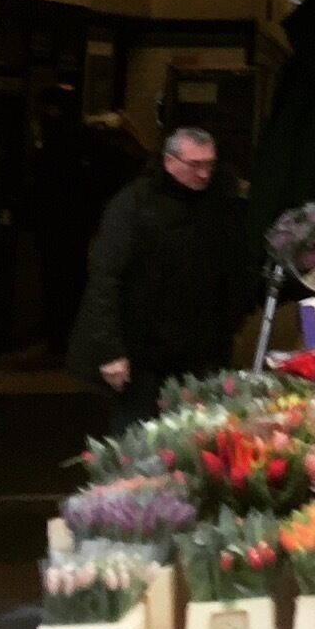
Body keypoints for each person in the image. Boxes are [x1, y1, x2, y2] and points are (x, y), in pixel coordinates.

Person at [67, 125, 259, 425]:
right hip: (143, 353)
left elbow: (234, 267)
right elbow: (106, 279)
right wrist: (109, 351)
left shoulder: (221, 204)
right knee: (137, 439)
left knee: (200, 437)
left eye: (210, 164)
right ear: (170, 162)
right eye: (195, 165)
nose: (204, 174)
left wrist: (232, 319)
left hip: (203, 350)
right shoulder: (134, 204)